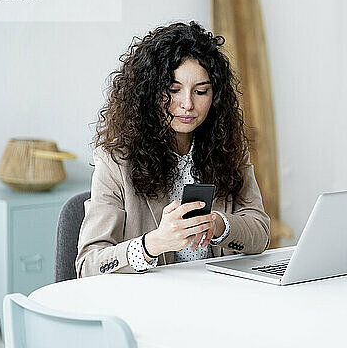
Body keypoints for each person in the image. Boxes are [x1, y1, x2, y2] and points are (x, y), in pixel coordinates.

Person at [75, 21, 270, 277]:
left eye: (201, 91)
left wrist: (220, 225)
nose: (187, 104)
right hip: (151, 304)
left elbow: (261, 234)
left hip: (219, 297)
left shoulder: (229, 149)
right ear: (148, 93)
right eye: (173, 90)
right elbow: (89, 265)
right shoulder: (115, 161)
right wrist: (152, 244)